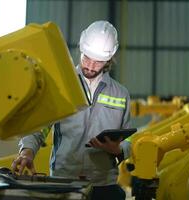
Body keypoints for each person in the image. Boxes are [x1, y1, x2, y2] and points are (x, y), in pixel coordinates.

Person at [12, 20, 131, 200]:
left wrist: (118, 150)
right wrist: (27, 151)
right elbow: (40, 126)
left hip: (104, 183)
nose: (90, 66)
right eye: (86, 58)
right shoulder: (61, 86)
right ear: (80, 50)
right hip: (64, 181)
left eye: (98, 62)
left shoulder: (121, 94)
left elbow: (130, 140)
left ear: (109, 59)